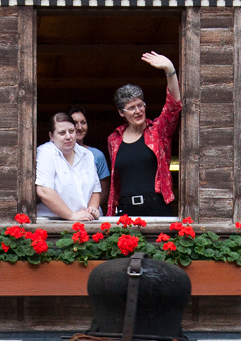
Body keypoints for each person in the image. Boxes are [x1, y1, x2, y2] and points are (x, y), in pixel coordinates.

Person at [105, 51, 181, 217]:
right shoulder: (114, 140)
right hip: (125, 208)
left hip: (156, 205)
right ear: (121, 113)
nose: (138, 111)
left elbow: (173, 106)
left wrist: (170, 70)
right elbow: (115, 183)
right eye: (132, 108)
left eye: (140, 105)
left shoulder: (158, 131)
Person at [35, 110, 102, 222]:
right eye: (62, 133)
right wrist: (72, 215)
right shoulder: (45, 153)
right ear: (51, 136)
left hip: (86, 221)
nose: (68, 136)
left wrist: (92, 209)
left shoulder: (87, 155)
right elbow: (44, 191)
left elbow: (96, 189)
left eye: (71, 131)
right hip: (53, 222)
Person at [69, 106, 110, 188]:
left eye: (83, 122)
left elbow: (104, 189)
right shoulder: (57, 153)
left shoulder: (96, 155)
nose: (79, 127)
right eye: (75, 123)